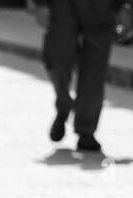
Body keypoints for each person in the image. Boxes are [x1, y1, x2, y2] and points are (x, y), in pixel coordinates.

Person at [29, 0, 115, 151]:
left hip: (101, 7)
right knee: (56, 57)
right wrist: (39, 4)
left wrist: (126, 5)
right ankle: (63, 102)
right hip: (62, 5)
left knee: (95, 67)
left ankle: (86, 129)